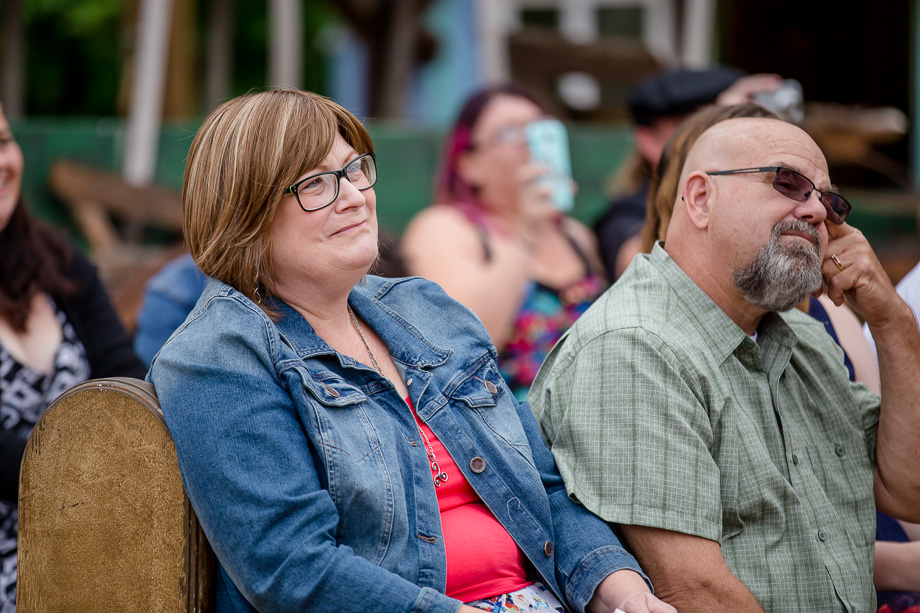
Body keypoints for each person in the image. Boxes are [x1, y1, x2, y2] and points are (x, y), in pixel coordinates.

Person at [149, 89, 673, 613]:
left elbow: (546, 490)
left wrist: (620, 588)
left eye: (355, 169)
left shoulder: (427, 310)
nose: (353, 195)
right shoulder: (216, 356)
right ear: (245, 210)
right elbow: (293, 570)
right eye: (315, 184)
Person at [530, 115, 920, 612]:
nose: (819, 211)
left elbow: (909, 492)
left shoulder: (801, 337)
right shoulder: (633, 347)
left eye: (831, 200)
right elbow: (695, 592)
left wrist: (893, 322)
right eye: (789, 183)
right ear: (699, 198)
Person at [0, 102, 145, 612]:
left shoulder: (58, 262)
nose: (1, 163)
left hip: (91, 544)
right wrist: (99, 480)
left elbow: (127, 377)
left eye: (2, 142)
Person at [400, 84, 605, 401]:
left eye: (539, 128)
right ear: (471, 166)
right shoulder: (443, 228)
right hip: (504, 436)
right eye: (509, 133)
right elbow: (459, 348)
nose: (530, 142)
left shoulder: (575, 235)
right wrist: (526, 234)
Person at [594, 67, 783, 281]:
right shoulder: (626, 213)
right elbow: (640, 272)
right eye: (692, 125)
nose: (724, 136)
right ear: (649, 141)